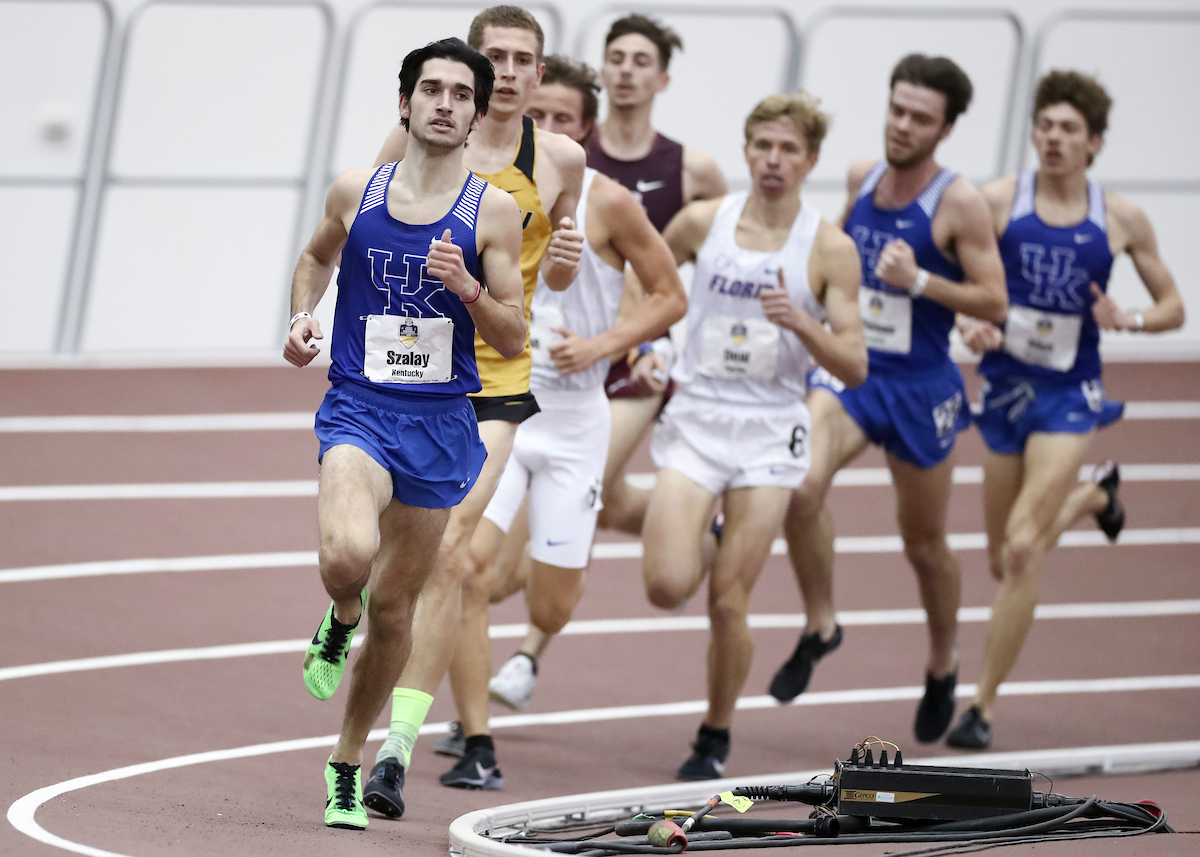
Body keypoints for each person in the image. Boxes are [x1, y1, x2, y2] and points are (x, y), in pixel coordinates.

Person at [285, 37, 525, 830]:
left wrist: (467, 289)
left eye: (462, 93)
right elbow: (314, 258)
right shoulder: (359, 189)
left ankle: (348, 760)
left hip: (439, 424)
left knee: (396, 609)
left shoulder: (491, 210)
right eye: (432, 89)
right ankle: (338, 613)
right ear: (406, 102)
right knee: (347, 555)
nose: (445, 103)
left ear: (476, 114)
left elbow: (515, 336)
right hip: (358, 403)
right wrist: (301, 317)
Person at [357, 6, 586, 815]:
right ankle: (341, 605)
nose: (513, 71)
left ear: (540, 69)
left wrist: (561, 265)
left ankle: (395, 748)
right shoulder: (415, 140)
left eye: (526, 59)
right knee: (388, 557)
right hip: (403, 370)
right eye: (499, 57)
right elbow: (364, 234)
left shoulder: (559, 158)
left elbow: (546, 284)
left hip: (494, 372)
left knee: (452, 549)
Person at [768, 55, 1008, 746]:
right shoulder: (861, 176)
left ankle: (941, 663)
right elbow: (837, 249)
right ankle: (822, 622)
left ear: (947, 127)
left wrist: (924, 283)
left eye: (920, 117)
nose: (902, 125)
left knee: (924, 543)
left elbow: (995, 298)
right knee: (801, 484)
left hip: (921, 385)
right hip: (856, 371)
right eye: (897, 109)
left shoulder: (959, 202)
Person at [946, 70, 1185, 750]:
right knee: (1001, 558)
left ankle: (981, 707)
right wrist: (972, 326)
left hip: (1069, 397)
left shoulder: (1120, 217)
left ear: (1094, 143)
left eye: (1069, 129)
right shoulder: (996, 202)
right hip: (1005, 390)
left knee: (1022, 548)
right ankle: (1093, 498)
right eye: (1045, 125)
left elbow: (1175, 308)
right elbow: (962, 288)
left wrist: (1128, 316)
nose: (1053, 137)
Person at [641, 92, 868, 780]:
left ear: (811, 160)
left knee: (727, 597)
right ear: (746, 151)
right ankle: (710, 537)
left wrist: (804, 326)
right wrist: (648, 345)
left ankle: (713, 732)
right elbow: (642, 280)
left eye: (789, 150)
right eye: (763, 146)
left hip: (771, 431)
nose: (774, 161)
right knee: (664, 582)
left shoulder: (828, 247)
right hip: (698, 419)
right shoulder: (702, 222)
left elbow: (855, 365)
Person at [475, 56, 685, 714]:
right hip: (500, 403)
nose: (547, 128)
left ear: (585, 131)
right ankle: (466, 729)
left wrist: (602, 346)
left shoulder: (610, 202)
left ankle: (651, 517)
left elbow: (670, 295)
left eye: (563, 118)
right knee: (467, 564)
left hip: (574, 418)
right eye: (537, 114)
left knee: (550, 602)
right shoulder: (483, 185)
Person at [588, 14, 728, 543]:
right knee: (606, 500)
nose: (626, 72)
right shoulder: (570, 153)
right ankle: (702, 528)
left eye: (641, 62)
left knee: (579, 484)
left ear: (662, 80)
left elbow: (728, 261)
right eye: (617, 59)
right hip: (570, 333)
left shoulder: (693, 170)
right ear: (601, 70)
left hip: (644, 345)